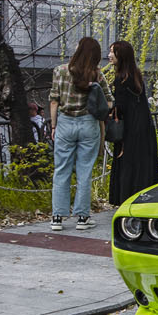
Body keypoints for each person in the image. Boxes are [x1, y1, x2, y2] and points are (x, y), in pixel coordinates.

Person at [49, 36, 111, 232]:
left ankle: (57, 217)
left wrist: (53, 126)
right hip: (88, 124)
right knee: (85, 171)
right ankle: (82, 218)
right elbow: (109, 101)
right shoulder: (96, 74)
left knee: (61, 170)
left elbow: (54, 100)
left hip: (65, 123)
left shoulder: (60, 70)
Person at [108, 39, 158, 205]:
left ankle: (124, 196)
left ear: (121, 55)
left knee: (127, 162)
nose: (109, 55)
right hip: (142, 125)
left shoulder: (121, 79)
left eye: (112, 52)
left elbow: (120, 106)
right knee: (141, 163)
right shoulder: (135, 75)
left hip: (129, 127)